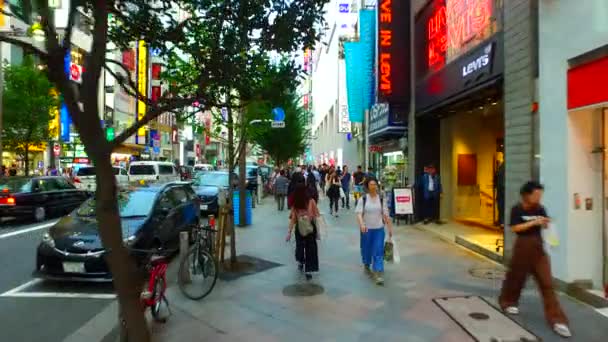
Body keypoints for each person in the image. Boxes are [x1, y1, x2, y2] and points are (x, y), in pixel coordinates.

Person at [499, 181, 571, 338]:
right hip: (522, 247)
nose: (539, 198)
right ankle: (508, 302)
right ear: (526, 195)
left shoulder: (540, 208)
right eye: (536, 194)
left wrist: (546, 224)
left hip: (538, 249)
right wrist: (534, 222)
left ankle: (558, 320)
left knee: (547, 283)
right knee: (516, 278)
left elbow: (544, 224)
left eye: (540, 195)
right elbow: (515, 228)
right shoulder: (517, 209)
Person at [356, 177, 393, 285]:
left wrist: (390, 228)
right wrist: (362, 224)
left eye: (375, 184)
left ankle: (377, 273)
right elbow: (358, 213)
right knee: (366, 249)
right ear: (367, 186)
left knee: (378, 250)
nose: (374, 186)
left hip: (379, 229)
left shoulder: (381, 199)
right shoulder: (363, 198)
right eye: (371, 184)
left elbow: (385, 214)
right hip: (366, 229)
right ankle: (367, 264)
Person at [286, 183, 320, 280]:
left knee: (300, 247)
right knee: (311, 249)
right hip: (310, 228)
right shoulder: (311, 201)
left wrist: (289, 232)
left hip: (299, 229)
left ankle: (301, 261)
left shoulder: (295, 204)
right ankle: (309, 269)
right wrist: (318, 232)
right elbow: (315, 218)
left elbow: (293, 219)